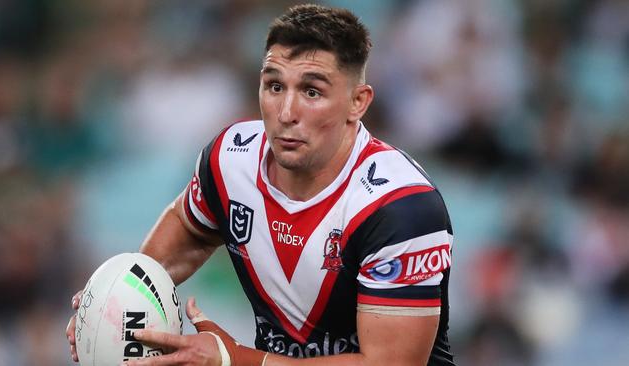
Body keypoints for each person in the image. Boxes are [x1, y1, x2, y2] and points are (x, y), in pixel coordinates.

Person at [66, 4, 455, 365]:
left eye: (312, 91)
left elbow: (388, 365)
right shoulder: (229, 160)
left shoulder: (401, 206)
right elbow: (190, 232)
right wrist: (113, 304)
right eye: (274, 86)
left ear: (358, 101)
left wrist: (236, 359)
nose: (286, 113)